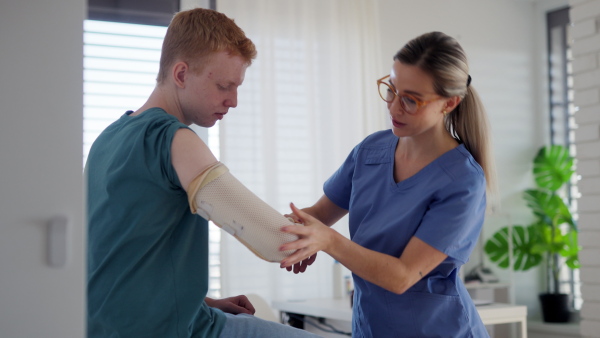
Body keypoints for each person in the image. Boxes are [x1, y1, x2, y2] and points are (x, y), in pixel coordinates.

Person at [85, 8, 320, 338]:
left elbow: (118, 263)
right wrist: (317, 237)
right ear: (181, 74)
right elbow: (273, 240)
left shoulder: (106, 140)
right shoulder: (174, 139)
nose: (233, 101)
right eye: (225, 85)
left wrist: (203, 301)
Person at [279, 31, 496, 337]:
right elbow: (317, 215)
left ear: (449, 103)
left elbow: (402, 276)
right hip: (372, 327)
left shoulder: (462, 180)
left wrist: (325, 240)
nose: (394, 108)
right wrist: (280, 231)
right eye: (392, 90)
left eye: (411, 100)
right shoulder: (370, 152)